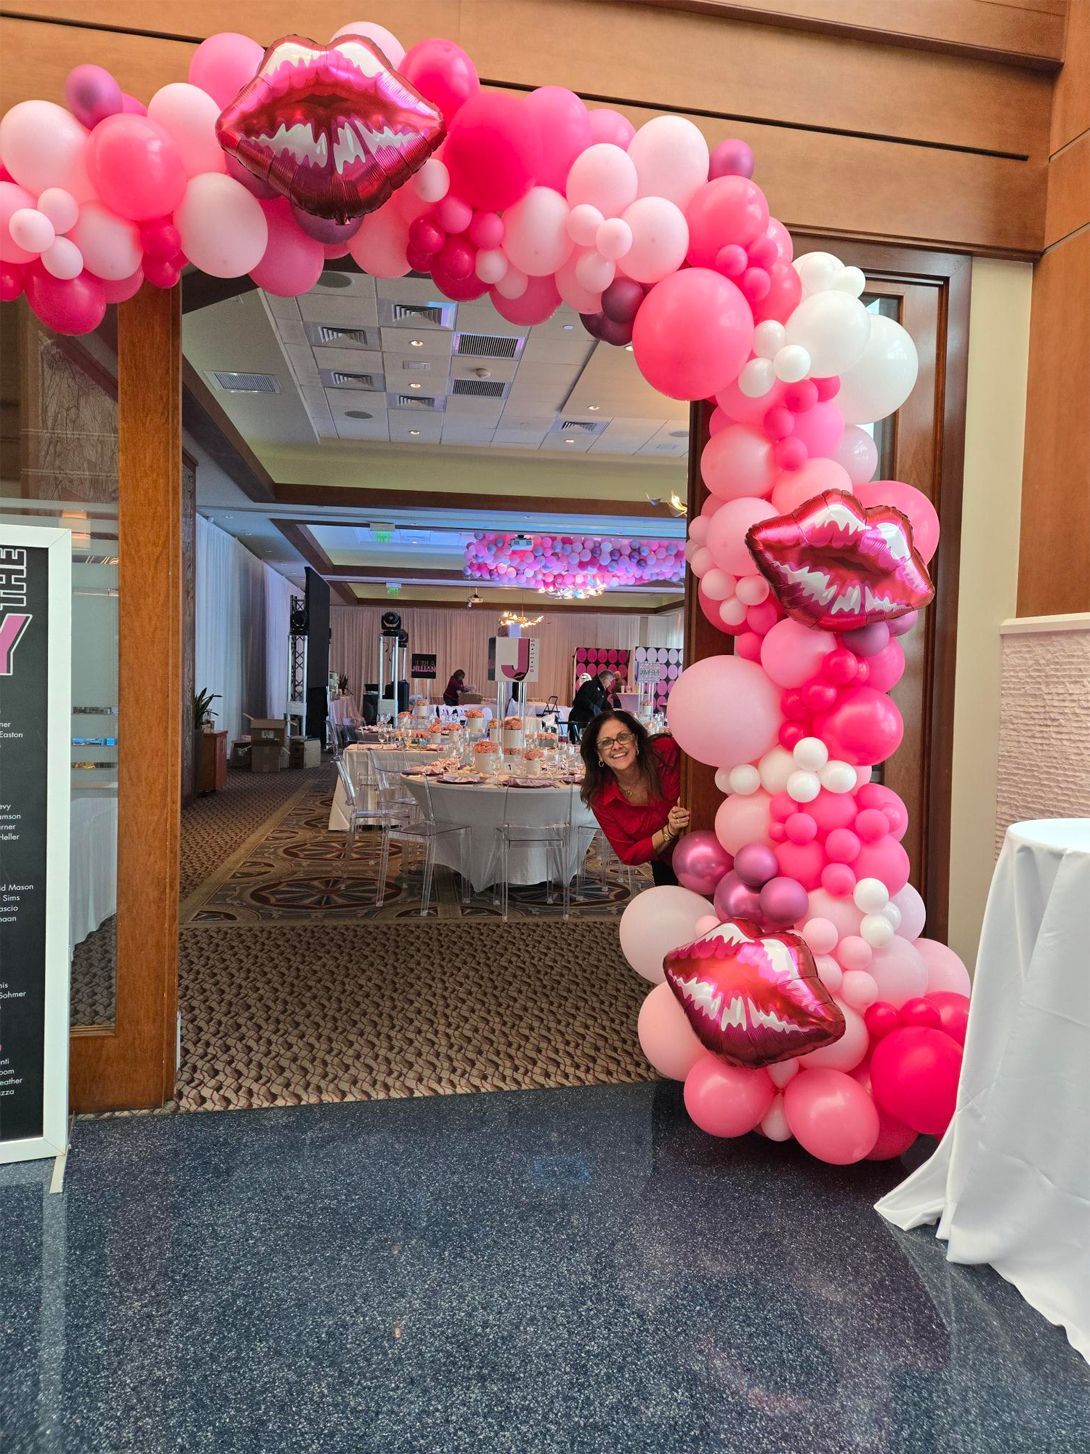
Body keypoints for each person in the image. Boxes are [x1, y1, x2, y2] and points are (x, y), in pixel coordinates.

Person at [579, 710, 690, 886]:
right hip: (667, 862)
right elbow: (628, 854)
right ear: (598, 753)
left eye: (623, 737)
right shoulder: (600, 797)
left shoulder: (665, 751)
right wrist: (669, 830)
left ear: (636, 740)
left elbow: (701, 754)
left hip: (711, 841)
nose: (616, 746)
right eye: (606, 742)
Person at [568, 668, 615, 742]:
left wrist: (613, 713)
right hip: (579, 719)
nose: (610, 684)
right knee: (577, 743)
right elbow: (581, 699)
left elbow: (605, 705)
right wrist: (594, 708)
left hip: (589, 721)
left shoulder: (602, 691)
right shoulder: (589, 684)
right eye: (610, 681)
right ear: (605, 679)